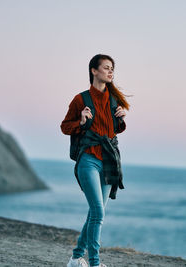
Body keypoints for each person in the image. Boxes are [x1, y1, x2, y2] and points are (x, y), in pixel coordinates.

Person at [61, 54, 130, 267]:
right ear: (94, 70)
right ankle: (95, 263)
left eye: (112, 69)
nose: (110, 72)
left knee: (94, 212)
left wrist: (121, 117)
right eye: (106, 68)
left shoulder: (114, 100)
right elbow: (65, 126)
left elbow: (114, 130)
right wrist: (81, 121)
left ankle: (75, 258)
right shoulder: (80, 99)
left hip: (109, 161)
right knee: (98, 212)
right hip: (88, 160)